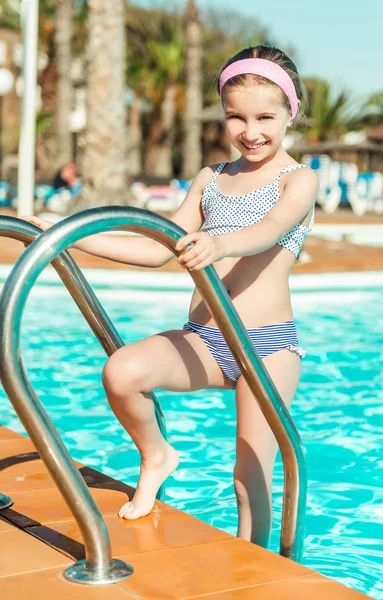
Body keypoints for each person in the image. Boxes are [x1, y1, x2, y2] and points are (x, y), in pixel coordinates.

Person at [22, 46, 319, 549]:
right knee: (122, 371)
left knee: (249, 475)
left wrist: (221, 242)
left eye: (266, 117)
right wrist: (62, 232)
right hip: (205, 338)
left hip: (266, 346)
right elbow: (154, 247)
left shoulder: (299, 179)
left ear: (291, 112)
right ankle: (157, 454)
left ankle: (253, 569)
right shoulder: (211, 179)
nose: (251, 131)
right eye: (236, 117)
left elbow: (269, 230)